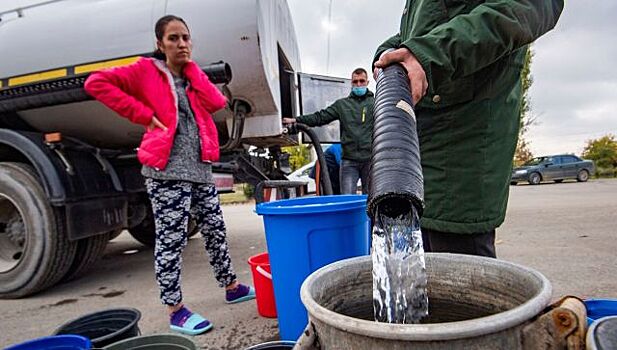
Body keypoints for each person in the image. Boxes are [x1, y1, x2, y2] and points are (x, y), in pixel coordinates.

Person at [85, 15, 255, 335]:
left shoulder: (192, 77)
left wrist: (191, 70)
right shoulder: (147, 70)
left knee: (216, 232)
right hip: (166, 172)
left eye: (186, 38)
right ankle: (175, 309)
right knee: (171, 240)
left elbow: (217, 102)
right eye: (174, 38)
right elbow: (96, 83)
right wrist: (143, 115)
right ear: (159, 44)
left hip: (200, 169)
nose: (181, 44)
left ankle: (231, 286)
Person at [372, 1, 564, 257]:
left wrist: (429, 54)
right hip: (423, 147)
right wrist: (390, 53)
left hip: (462, 149)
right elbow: (421, 33)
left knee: (461, 279)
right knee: (422, 275)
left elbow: (533, 6)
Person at [283, 68, 374, 194]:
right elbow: (320, 117)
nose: (358, 85)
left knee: (370, 200)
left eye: (362, 81)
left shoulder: (375, 103)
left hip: (369, 159)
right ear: (351, 83)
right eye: (355, 82)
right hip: (349, 160)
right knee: (347, 199)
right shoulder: (342, 105)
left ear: (367, 82)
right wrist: (296, 120)